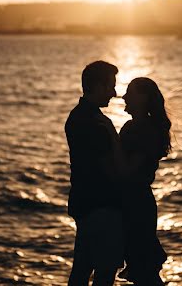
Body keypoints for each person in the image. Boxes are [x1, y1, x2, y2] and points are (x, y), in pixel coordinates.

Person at [65, 60, 124, 286]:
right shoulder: (97, 124)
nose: (114, 92)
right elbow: (111, 170)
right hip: (102, 207)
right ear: (97, 86)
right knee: (104, 273)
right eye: (110, 86)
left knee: (81, 269)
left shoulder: (76, 116)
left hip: (84, 204)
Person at [114, 77, 171, 285]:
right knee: (142, 269)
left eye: (131, 92)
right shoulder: (136, 127)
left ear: (144, 98)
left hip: (136, 204)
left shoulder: (142, 130)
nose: (125, 96)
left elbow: (128, 170)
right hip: (135, 202)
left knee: (143, 271)